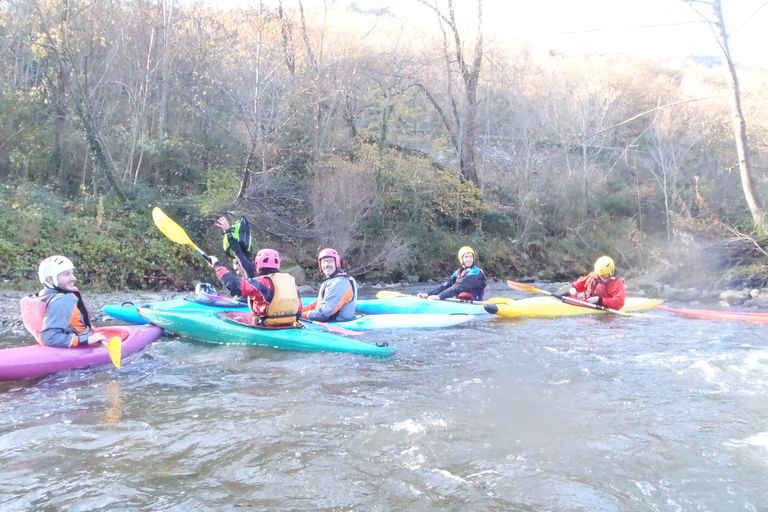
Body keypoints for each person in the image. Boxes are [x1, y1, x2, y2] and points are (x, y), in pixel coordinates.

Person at [20, 255, 107, 348]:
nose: (74, 278)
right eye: (66, 274)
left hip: (53, 347)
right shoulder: (63, 299)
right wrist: (87, 339)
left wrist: (90, 331)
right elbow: (50, 338)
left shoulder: (42, 296)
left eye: (72, 273)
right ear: (50, 279)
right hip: (75, 347)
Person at [209, 248, 302, 327]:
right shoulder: (292, 283)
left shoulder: (260, 283)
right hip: (289, 325)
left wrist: (217, 265)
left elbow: (235, 285)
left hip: (266, 326)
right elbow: (298, 312)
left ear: (258, 264)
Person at [302, 248, 357, 322]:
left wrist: (300, 315)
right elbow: (320, 304)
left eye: (330, 261)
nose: (326, 265)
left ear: (337, 263)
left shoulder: (340, 283)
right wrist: (300, 311)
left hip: (336, 328)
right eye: (323, 262)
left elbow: (323, 314)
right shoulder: (332, 281)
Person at [417, 245, 486, 301]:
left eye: (471, 257)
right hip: (461, 302)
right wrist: (428, 294)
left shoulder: (476, 273)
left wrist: (439, 296)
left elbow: (460, 286)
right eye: (466, 257)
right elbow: (445, 286)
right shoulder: (457, 273)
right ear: (461, 259)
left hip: (475, 303)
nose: (469, 259)